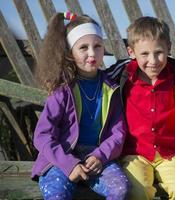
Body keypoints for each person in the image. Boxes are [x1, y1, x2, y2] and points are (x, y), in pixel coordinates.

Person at [31, 12, 130, 200]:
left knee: (120, 189)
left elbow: (118, 132)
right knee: (56, 193)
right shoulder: (63, 90)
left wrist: (101, 155)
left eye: (97, 46)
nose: (92, 53)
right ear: (70, 53)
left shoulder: (111, 88)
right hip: (60, 158)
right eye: (83, 47)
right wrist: (69, 164)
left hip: (97, 157)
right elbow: (42, 135)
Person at [107, 16, 175, 200]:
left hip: (169, 153)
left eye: (159, 52)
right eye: (144, 54)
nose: (153, 60)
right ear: (131, 52)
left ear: (168, 49)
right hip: (135, 154)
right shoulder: (123, 77)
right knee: (138, 191)